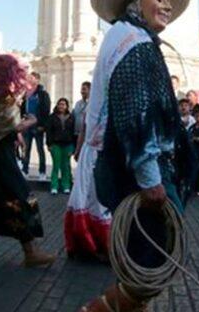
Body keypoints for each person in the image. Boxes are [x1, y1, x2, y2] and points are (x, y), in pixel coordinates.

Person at [81, 0, 192, 312]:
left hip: (116, 165)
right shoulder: (135, 42)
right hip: (139, 172)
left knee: (142, 255)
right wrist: (150, 177)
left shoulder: (123, 36)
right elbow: (137, 114)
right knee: (153, 260)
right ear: (134, 0)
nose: (167, 4)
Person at [0, 54, 56, 268]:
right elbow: (11, 125)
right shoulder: (5, 96)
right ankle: (30, 251)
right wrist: (30, 121)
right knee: (19, 196)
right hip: (0, 156)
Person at [64, 75, 112, 261]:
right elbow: (83, 131)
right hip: (91, 153)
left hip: (103, 154)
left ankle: (100, 243)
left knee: (98, 198)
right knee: (85, 195)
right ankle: (87, 242)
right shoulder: (90, 108)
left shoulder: (110, 106)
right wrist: (78, 149)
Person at [19, 71, 51, 177]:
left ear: (37, 80)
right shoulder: (25, 93)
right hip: (27, 125)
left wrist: (43, 125)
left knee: (40, 149)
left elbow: (46, 110)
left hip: (38, 126)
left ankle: (42, 171)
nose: (29, 80)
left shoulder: (42, 94)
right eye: (29, 78)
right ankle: (25, 169)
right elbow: (22, 108)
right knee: (26, 148)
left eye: (32, 78)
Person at [46, 98, 76, 195]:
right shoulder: (52, 117)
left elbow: (73, 132)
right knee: (56, 165)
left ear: (67, 106)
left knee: (66, 166)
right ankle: (54, 186)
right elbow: (49, 131)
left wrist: (73, 146)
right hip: (55, 144)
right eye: (60, 104)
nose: (61, 106)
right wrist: (49, 144)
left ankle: (66, 186)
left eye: (63, 104)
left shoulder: (71, 117)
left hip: (68, 144)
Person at [71, 81, 91, 160]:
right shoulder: (78, 104)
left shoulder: (92, 103)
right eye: (81, 89)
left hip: (86, 136)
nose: (82, 92)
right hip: (76, 134)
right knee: (78, 157)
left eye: (84, 89)